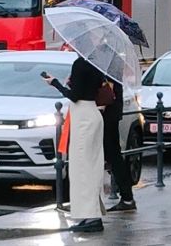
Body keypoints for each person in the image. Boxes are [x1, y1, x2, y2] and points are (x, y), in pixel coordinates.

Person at [43, 56, 106, 233]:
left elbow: (75, 95)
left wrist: (55, 82)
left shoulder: (80, 64)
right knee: (92, 166)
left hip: (83, 117)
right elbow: (89, 89)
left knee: (81, 168)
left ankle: (90, 216)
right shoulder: (97, 62)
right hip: (93, 114)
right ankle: (93, 213)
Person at [101, 78, 137, 211]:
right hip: (112, 115)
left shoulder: (106, 69)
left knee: (113, 157)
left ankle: (127, 197)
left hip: (107, 116)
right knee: (114, 157)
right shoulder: (111, 65)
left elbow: (107, 93)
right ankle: (127, 197)